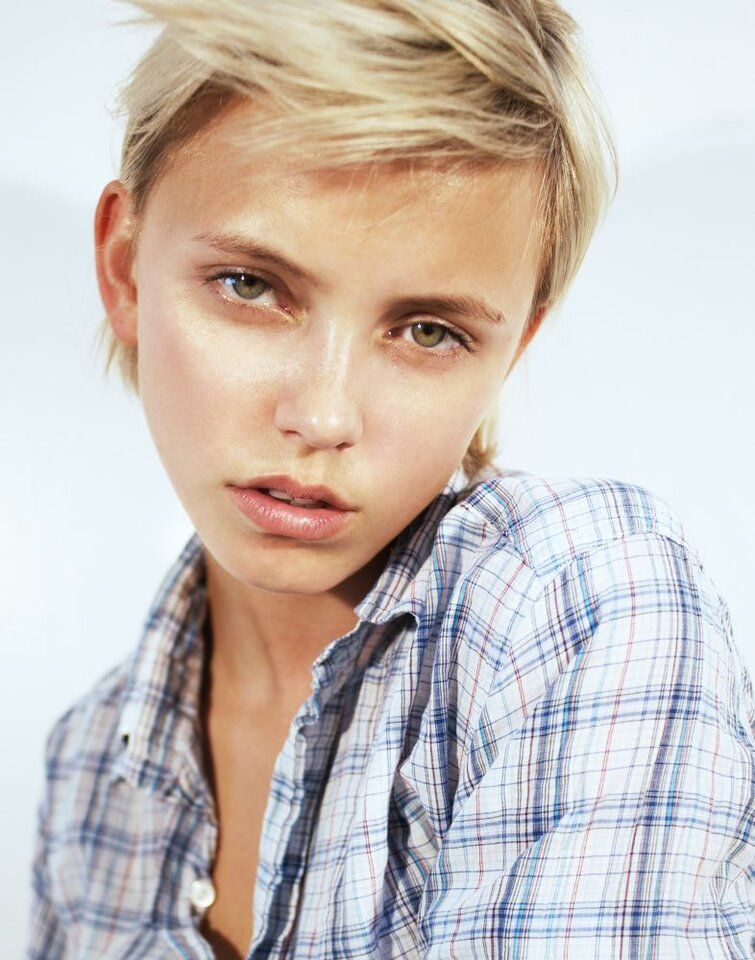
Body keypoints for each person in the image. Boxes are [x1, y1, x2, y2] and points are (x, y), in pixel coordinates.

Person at [25, 0, 755, 957]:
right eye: (251, 284)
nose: (324, 416)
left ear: (512, 349)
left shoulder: (577, 604)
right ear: (124, 267)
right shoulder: (88, 770)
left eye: (428, 331)